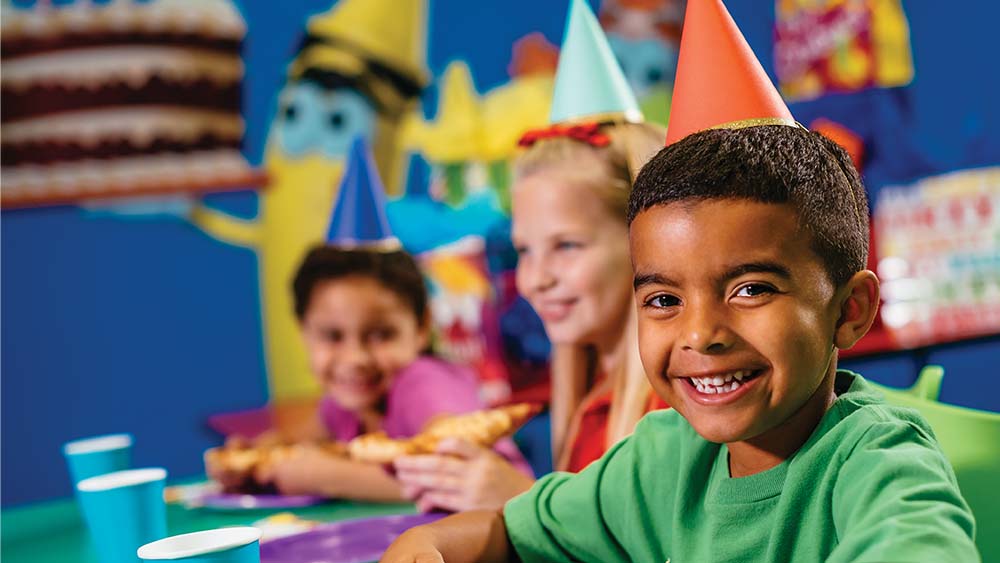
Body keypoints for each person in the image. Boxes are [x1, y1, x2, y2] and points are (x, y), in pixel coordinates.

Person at [379, 1, 978, 560]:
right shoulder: (662, 455)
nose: (701, 334)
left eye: (751, 289)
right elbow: (499, 530)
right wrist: (422, 547)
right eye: (664, 299)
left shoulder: (880, 467)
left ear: (851, 308)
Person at [392, 0, 665, 513]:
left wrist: (524, 504)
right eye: (523, 250)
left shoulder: (677, 409)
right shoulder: (589, 400)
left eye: (566, 246)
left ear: (645, 244)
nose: (535, 279)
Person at [208, 138, 529, 502]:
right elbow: (301, 446)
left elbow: (457, 481)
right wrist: (256, 460)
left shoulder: (423, 385)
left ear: (422, 327)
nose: (355, 358)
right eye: (332, 336)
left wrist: (323, 476)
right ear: (303, 331)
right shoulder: (344, 407)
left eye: (381, 334)